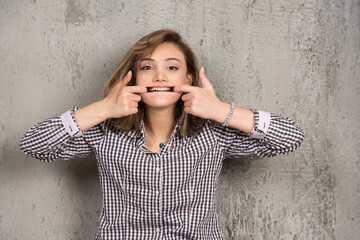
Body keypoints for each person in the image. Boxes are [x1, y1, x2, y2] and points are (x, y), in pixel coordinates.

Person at [20, 29, 304, 239]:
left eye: (171, 67)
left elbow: (291, 137)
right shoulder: (105, 133)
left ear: (187, 79)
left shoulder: (214, 134)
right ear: (132, 77)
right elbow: (34, 144)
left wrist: (221, 110)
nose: (159, 77)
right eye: (147, 67)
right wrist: (103, 108)